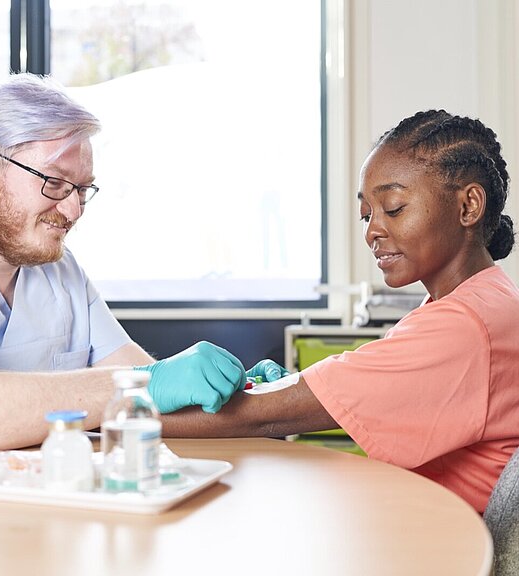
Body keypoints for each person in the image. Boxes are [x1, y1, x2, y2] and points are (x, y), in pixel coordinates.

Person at [161, 109, 519, 514]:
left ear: (468, 205)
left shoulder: (463, 326)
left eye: (394, 207)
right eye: (367, 214)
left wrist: (117, 414)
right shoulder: (489, 298)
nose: (372, 231)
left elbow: (258, 418)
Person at [0, 73, 285, 455]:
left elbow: (145, 399)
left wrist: (244, 396)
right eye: (54, 182)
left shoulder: (61, 271)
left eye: (82, 190)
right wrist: (133, 385)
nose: (73, 210)